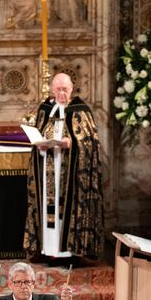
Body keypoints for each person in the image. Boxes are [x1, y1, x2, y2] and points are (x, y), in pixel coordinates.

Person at [24, 72, 104, 262]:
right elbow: (37, 134)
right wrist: (41, 146)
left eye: (65, 89)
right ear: (52, 89)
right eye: (58, 89)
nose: (61, 93)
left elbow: (91, 141)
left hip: (70, 176)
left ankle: (69, 252)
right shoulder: (45, 109)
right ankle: (48, 250)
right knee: (47, 211)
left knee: (64, 211)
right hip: (47, 173)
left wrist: (72, 144)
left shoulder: (80, 110)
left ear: (71, 89)